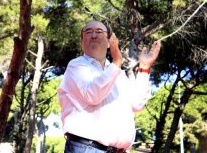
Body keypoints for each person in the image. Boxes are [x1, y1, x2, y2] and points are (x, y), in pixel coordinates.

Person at [57, 20, 161, 153]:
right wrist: (117, 62)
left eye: (99, 32)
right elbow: (93, 95)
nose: (94, 35)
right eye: (88, 32)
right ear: (82, 42)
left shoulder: (118, 74)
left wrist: (144, 68)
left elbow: (137, 104)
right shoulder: (76, 66)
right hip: (86, 148)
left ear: (109, 42)